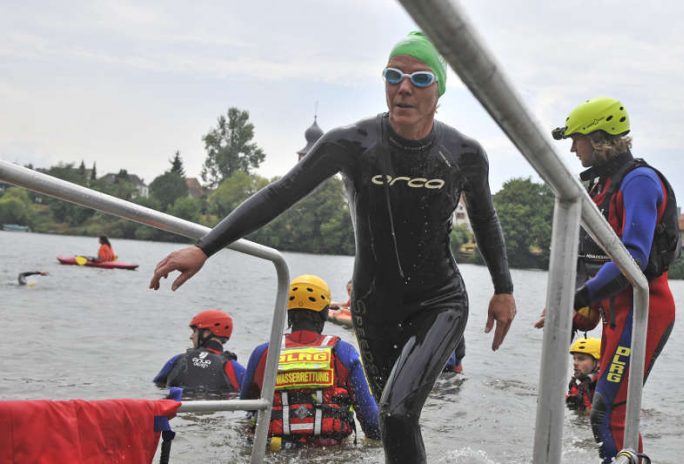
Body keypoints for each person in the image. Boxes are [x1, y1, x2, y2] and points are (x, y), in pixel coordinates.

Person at [150, 31, 516, 462]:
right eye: (393, 75)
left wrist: (503, 288)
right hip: (373, 303)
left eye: (419, 79)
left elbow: (485, 219)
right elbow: (279, 194)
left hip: (440, 300)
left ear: (439, 91)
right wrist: (205, 248)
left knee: (397, 413)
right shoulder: (354, 143)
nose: (403, 87)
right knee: (392, 416)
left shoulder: (463, 153)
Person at [539, 96, 677, 462]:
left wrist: (578, 297)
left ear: (599, 139)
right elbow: (591, 259)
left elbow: (632, 257)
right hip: (616, 313)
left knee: (607, 414)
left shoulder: (640, 182)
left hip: (645, 312)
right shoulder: (600, 187)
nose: (572, 148)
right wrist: (574, 303)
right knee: (607, 414)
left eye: (577, 139)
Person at [240, 275, 380, 447]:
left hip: (276, 451)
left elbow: (247, 402)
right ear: (324, 312)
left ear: (289, 311)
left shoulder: (263, 352)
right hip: (329, 454)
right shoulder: (344, 353)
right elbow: (372, 425)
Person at [153, 309, 246, 396]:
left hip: (180, 410)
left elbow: (158, 385)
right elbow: (250, 393)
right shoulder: (234, 367)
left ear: (206, 333)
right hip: (217, 411)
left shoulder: (178, 359)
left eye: (194, 331)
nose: (191, 336)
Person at [566, 337, 600, 413]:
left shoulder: (602, 385)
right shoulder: (578, 382)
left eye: (581, 359)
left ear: (598, 362)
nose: (575, 363)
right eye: (574, 358)